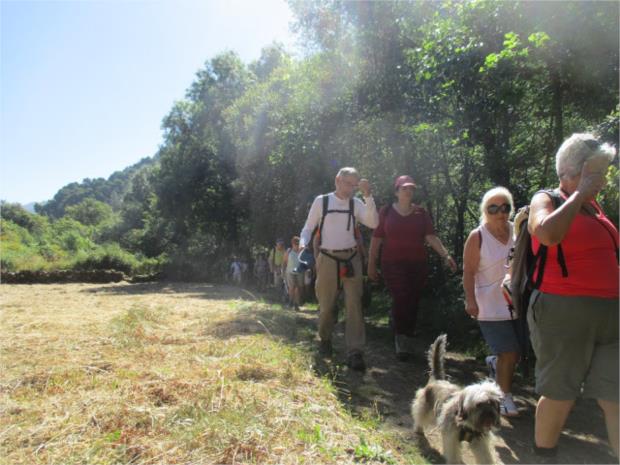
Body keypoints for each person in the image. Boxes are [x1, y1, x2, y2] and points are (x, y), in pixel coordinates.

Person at [526, 133, 618, 459]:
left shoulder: (595, 208)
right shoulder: (547, 199)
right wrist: (578, 194)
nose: (601, 180)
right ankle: (543, 456)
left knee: (616, 394)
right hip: (562, 310)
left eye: (603, 172)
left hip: (611, 313)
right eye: (595, 173)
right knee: (560, 392)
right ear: (569, 171)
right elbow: (547, 234)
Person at [368, 175, 457, 360]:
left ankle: (405, 331)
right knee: (401, 296)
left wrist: (446, 255)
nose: (408, 191)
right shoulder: (386, 212)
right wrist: (371, 264)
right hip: (391, 263)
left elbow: (431, 236)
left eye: (411, 189)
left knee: (413, 299)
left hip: (417, 264)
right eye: (404, 188)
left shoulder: (420, 213)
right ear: (396, 192)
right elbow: (376, 239)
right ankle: (401, 339)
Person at [299, 167, 378, 371]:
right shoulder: (322, 201)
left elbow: (373, 223)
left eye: (354, 185)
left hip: (351, 259)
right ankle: (325, 339)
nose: (350, 188)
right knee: (326, 306)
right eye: (347, 183)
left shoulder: (356, 203)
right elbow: (308, 228)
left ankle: (355, 352)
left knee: (354, 305)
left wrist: (368, 196)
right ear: (337, 180)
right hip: (327, 258)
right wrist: (303, 244)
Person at [462, 186, 519, 417]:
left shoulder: (518, 230)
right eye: (493, 208)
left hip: (516, 301)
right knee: (509, 352)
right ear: (485, 211)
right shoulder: (477, 236)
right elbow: (468, 272)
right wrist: (470, 300)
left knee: (516, 351)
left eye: (504, 207)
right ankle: (504, 397)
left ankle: (496, 364)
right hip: (489, 305)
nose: (500, 213)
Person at [282, 236, 303, 310]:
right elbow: (284, 262)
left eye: (298, 243)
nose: (297, 245)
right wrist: (283, 271)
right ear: (292, 244)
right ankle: (291, 302)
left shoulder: (301, 252)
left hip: (299, 272)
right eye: (295, 243)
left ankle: (296, 304)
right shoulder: (288, 251)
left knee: (298, 288)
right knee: (292, 287)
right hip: (290, 272)